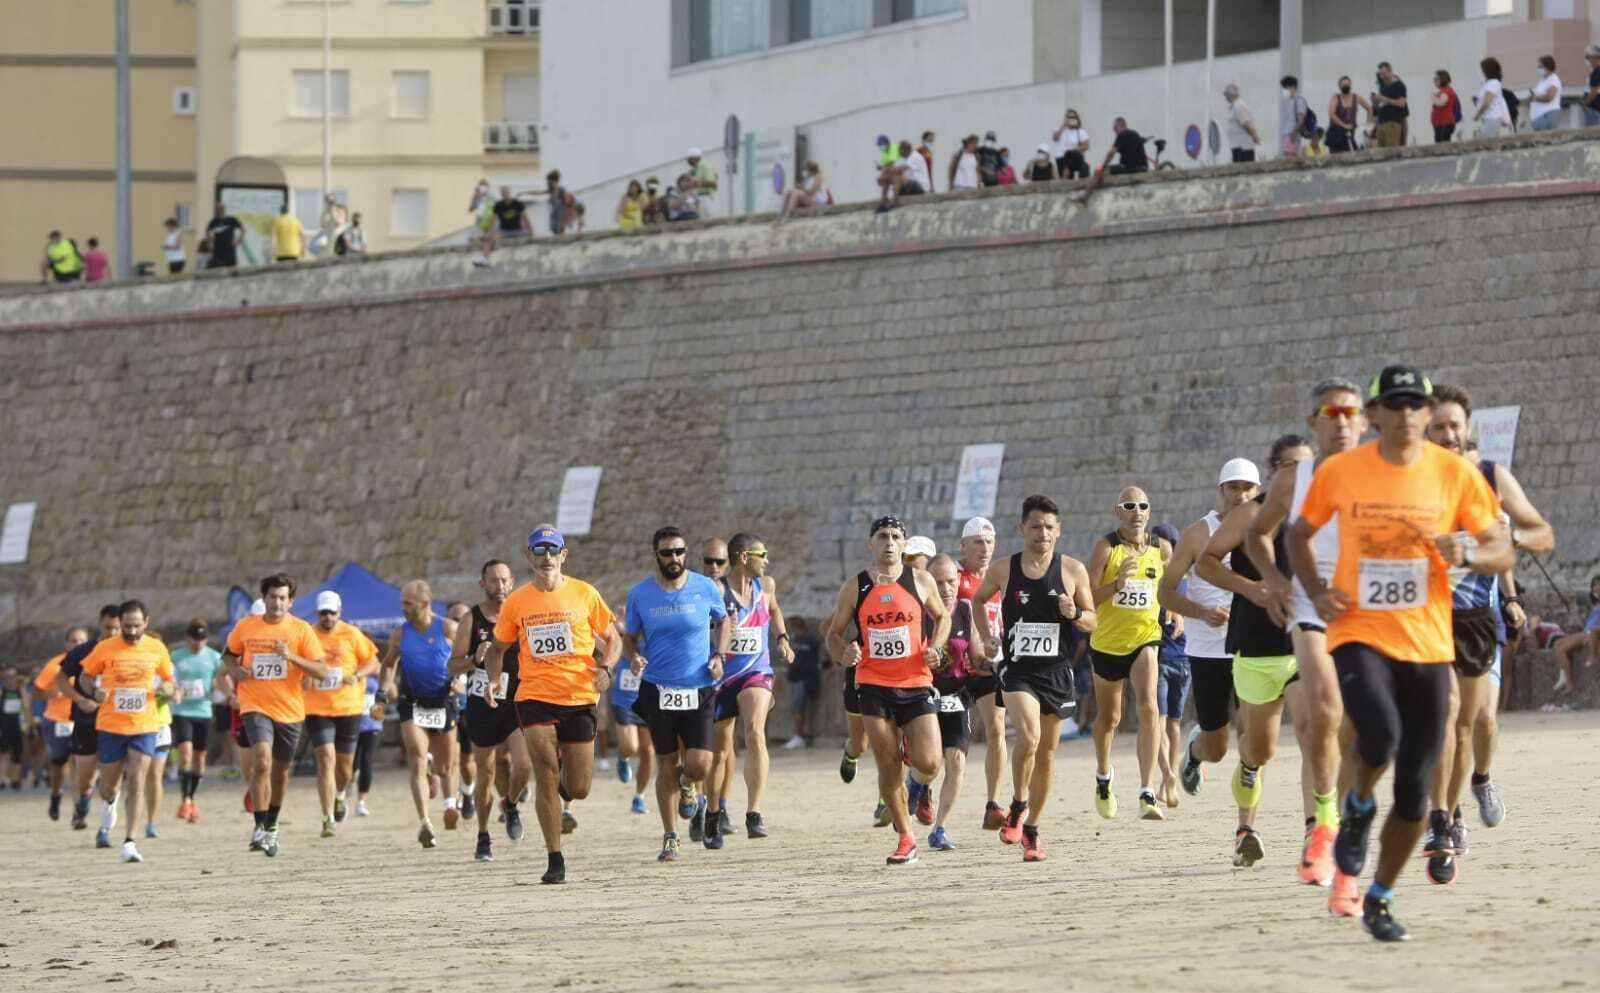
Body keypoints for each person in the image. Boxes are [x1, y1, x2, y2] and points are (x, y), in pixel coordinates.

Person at [1287, 364, 1511, 942]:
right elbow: (1296, 534)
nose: (1410, 414)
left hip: (1428, 642)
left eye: (1419, 404)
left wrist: (1470, 553)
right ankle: (1357, 808)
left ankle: (1380, 897)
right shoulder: (1342, 471)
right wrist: (1314, 590)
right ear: (1377, 414)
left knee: (1414, 793)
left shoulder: (1453, 474)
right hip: (1360, 631)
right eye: (1399, 403)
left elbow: (1501, 547)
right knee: (1379, 737)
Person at [1421, 384, 1553, 882]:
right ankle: (1441, 821)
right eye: (1439, 427)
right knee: (1445, 717)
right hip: (1425, 618)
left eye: (1455, 425)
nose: (1449, 434)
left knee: (1474, 724)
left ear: (1467, 427)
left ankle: (1467, 795)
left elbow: (1543, 533)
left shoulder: (1490, 476)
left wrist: (1506, 535)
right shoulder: (1411, 481)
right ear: (1426, 433)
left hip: (1477, 619)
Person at [1245, 378, 1368, 902]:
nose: (1340, 421)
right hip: (1310, 607)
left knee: (1360, 734)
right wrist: (1273, 580)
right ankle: (1322, 820)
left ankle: (1344, 831)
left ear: (1364, 420)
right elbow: (1256, 534)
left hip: (1370, 611)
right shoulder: (1294, 480)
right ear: (1314, 422)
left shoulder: (1386, 474)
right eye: (1329, 412)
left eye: (1349, 412)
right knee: (1321, 709)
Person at [1197, 436, 1315, 869]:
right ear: (1275, 471)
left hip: (1308, 642)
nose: (1301, 475)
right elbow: (1206, 562)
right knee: (1261, 749)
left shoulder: (1329, 511)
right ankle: (1246, 813)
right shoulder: (1249, 513)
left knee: (1313, 734)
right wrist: (1251, 588)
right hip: (1257, 644)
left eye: (1308, 465)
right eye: (1291, 466)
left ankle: (1314, 831)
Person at [486, 526, 621, 884]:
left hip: (578, 696)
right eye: (538, 551)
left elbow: (613, 637)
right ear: (528, 556)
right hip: (534, 696)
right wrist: (495, 679)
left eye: (553, 550)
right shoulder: (516, 601)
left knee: (578, 787)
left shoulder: (584, 593)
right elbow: (497, 649)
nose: (546, 557)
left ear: (564, 555)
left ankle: (563, 795)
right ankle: (555, 859)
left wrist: (606, 667)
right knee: (544, 770)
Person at [969, 495, 1097, 861]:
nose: (1042, 533)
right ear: (1022, 529)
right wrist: (987, 635)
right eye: (1036, 526)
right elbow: (979, 601)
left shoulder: (1072, 570)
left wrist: (1075, 614)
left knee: (1047, 755)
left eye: (1049, 527)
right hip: (1018, 669)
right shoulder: (1004, 569)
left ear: (1059, 531)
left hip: (1056, 671)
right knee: (1029, 734)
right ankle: (1019, 802)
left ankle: (1032, 829)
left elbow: (1093, 621)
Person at [823, 516, 951, 866]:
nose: (889, 542)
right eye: (882, 536)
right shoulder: (855, 587)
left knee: (929, 762)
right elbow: (833, 633)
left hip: (916, 681)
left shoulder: (921, 580)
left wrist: (937, 648)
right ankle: (905, 837)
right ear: (871, 543)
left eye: (896, 536)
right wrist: (843, 653)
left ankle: (918, 783)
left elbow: (943, 618)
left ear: (904, 543)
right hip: (873, 683)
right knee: (886, 760)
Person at [622, 527, 729, 858]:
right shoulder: (640, 595)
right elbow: (629, 636)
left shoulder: (704, 586)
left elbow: (724, 621)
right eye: (667, 553)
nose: (675, 559)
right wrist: (634, 656)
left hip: (698, 686)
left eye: (680, 552)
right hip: (658, 687)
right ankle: (670, 836)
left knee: (699, 764)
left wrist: (720, 656)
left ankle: (688, 786)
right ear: (656, 555)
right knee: (666, 763)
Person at [1160, 458, 1260, 804]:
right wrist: (1201, 612)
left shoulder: (1267, 531)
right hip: (1207, 651)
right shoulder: (1198, 533)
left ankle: (1249, 779)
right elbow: (1165, 592)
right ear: (1222, 491)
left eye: (1248, 488)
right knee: (1217, 748)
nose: (1241, 495)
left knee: (1254, 732)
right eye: (1234, 488)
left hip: (1251, 646)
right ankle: (1196, 751)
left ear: (1258, 491)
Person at [224, 574, 331, 857]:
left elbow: (321, 671)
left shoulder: (301, 630)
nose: (277, 602)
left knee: (281, 773)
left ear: (290, 601)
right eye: (272, 596)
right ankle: (259, 827)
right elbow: (228, 654)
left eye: (283, 597)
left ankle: (272, 825)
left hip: (290, 709)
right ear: (264, 598)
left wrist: (292, 657)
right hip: (254, 704)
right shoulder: (246, 627)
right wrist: (235, 671)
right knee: (262, 760)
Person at [1087, 487, 1172, 819]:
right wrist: (1117, 585)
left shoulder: (1160, 549)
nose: (1137, 511)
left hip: (1145, 637)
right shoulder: (1105, 549)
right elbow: (1088, 598)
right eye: (1129, 506)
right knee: (1110, 719)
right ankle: (1104, 775)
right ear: (1117, 511)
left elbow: (1166, 585)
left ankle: (1147, 790)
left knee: (1150, 705)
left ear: (1149, 512)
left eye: (1143, 506)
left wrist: (1174, 611)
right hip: (1107, 643)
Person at [76, 600, 175, 863]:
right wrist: (94, 691)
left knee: (138, 779)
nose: (131, 631)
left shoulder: (157, 648)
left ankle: (130, 841)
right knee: (110, 786)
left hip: (144, 725)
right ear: (120, 623)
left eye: (136, 626)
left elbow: (170, 681)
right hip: (110, 726)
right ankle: (108, 798)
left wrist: (169, 689)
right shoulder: (105, 648)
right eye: (126, 626)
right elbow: (85, 677)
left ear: (147, 623)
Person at [709, 533, 792, 843]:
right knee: (720, 752)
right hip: (722, 677)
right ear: (744, 557)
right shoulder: (716, 591)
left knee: (755, 730)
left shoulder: (765, 585)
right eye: (763, 554)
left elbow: (774, 609)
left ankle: (754, 812)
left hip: (757, 671)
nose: (767, 560)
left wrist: (782, 638)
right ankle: (714, 812)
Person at [450, 560, 532, 861]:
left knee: (523, 765)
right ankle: (483, 836)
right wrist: (474, 659)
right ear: (483, 584)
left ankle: (510, 804)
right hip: (482, 704)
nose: (500, 586)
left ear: (512, 582)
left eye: (505, 580)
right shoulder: (472, 619)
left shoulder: (522, 613)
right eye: (494, 581)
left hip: (515, 700)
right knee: (485, 772)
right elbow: (452, 665)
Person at [379, 580, 460, 848]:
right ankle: (425, 821)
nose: (402, 608)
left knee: (445, 766)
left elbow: (469, 659)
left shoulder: (448, 628)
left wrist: (463, 680)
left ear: (425, 604)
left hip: (443, 701)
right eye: (402, 602)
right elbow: (388, 664)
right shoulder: (400, 634)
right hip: (411, 701)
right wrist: (384, 687)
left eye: (407, 604)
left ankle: (447, 797)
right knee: (416, 756)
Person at [305, 592, 380, 837]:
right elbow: (298, 665)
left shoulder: (352, 634)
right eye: (323, 613)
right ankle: (327, 817)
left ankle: (339, 795)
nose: (327, 617)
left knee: (345, 768)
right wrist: (304, 678)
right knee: (326, 759)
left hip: (349, 707)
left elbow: (373, 663)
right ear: (317, 613)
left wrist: (357, 676)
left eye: (332, 613)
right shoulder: (308, 635)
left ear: (339, 612)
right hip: (317, 708)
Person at [955, 515, 1009, 832]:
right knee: (947, 742)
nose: (984, 549)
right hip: (955, 665)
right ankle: (919, 783)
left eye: (989, 542)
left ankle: (993, 803)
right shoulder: (953, 576)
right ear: (963, 545)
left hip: (989, 665)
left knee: (996, 729)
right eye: (977, 542)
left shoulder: (999, 579)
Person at [925, 554, 981, 851]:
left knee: (956, 761)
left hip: (957, 695)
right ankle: (918, 784)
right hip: (923, 696)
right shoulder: (917, 612)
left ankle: (940, 828)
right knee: (929, 764)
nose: (946, 588)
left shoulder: (965, 609)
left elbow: (976, 649)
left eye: (951, 581)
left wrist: (989, 654)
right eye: (938, 582)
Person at [56, 605, 122, 832]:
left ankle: (106, 823)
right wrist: (80, 700)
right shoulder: (84, 650)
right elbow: (61, 679)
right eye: (107, 628)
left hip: (117, 724)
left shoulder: (127, 651)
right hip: (86, 721)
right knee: (86, 778)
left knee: (111, 777)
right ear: (99, 624)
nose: (112, 633)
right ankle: (82, 804)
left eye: (116, 628)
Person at [1149, 522, 1188, 809]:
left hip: (1184, 658)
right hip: (1158, 657)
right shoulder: (1149, 577)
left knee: (1173, 724)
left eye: (1163, 542)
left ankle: (1167, 779)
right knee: (1160, 722)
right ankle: (1168, 774)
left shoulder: (1187, 578)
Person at [33, 627, 90, 820]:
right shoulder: (56, 664)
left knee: (78, 762)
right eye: (74, 641)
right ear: (67, 644)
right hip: (58, 720)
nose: (78, 644)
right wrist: (53, 693)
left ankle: (78, 810)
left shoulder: (94, 662)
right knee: (60, 763)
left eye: (82, 640)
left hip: (83, 720)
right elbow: (37, 691)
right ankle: (56, 794)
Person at [169, 620, 222, 824]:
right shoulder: (176, 657)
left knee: (200, 759)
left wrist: (223, 690)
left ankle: (193, 797)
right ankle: (185, 799)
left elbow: (221, 678)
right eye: (194, 639)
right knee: (185, 754)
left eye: (202, 640)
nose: (198, 644)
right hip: (182, 711)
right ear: (187, 637)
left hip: (204, 711)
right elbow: (168, 679)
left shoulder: (214, 657)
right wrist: (174, 690)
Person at [782, 617, 822, 749]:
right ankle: (799, 735)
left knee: (798, 708)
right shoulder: (793, 640)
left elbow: (819, 656)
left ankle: (799, 736)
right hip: (795, 677)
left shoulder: (811, 640)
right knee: (796, 708)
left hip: (805, 678)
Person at [352, 672, 382, 817]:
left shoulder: (377, 672)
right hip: (352, 721)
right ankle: (349, 781)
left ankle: (361, 802)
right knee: (351, 763)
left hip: (373, 723)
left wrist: (384, 690)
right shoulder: (352, 668)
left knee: (367, 761)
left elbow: (391, 692)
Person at [877, 139, 928, 213]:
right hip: (907, 186)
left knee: (897, 177)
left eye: (900, 151)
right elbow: (894, 171)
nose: (899, 153)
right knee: (889, 177)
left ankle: (894, 202)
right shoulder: (905, 159)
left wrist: (885, 171)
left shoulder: (915, 157)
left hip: (919, 186)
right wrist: (884, 177)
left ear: (905, 149)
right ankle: (883, 201)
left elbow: (900, 169)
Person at [1327, 76, 1371, 153]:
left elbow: (1369, 109)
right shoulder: (1336, 98)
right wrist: (1343, 125)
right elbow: (1331, 114)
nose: (1346, 87)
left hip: (1352, 132)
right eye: (1343, 85)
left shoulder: (1356, 97)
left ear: (1350, 85)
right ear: (1340, 86)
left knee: (1355, 152)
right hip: (1337, 133)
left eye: (1347, 84)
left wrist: (1367, 127)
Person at [1473, 57, 1513, 138]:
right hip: (1488, 118)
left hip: (1492, 118)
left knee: (1485, 142)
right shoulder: (1487, 84)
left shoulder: (1493, 83)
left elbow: (1487, 103)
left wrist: (1477, 115)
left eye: (1482, 69)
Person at [1373, 62, 1409, 147]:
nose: (1382, 77)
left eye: (1384, 73)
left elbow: (1401, 104)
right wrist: (1375, 101)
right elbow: (1379, 105)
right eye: (1380, 74)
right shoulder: (1383, 85)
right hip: (1381, 122)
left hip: (1393, 122)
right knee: (1381, 152)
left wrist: (1384, 99)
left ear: (1390, 72)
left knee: (1391, 150)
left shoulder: (1399, 85)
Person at [1224, 84, 1263, 162]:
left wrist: (1255, 137)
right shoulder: (1234, 106)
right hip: (1237, 145)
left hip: (1243, 146)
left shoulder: (1239, 105)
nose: (1226, 97)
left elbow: (1246, 124)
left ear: (1232, 94)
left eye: (1227, 94)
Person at [1052, 109, 1091, 178]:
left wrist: (1076, 149)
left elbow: (1086, 146)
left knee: (1071, 155)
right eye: (1069, 117)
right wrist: (1063, 126)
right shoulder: (1060, 129)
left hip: (1074, 157)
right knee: (1067, 177)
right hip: (1061, 157)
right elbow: (1055, 138)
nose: (1071, 119)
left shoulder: (1080, 131)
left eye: (1073, 117)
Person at [203, 203, 244, 269]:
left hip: (229, 250)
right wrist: (210, 242)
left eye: (221, 208)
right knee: (217, 269)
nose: (219, 210)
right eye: (217, 209)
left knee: (231, 269)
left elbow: (242, 229)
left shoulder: (231, 220)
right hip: (218, 250)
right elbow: (207, 231)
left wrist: (239, 240)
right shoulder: (214, 221)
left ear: (224, 209)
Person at [1529, 55, 1563, 132]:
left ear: (1547, 67)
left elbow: (1549, 97)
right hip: (1539, 117)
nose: (1538, 69)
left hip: (1547, 115)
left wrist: (1535, 98)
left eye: (1540, 67)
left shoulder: (1553, 80)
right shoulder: (1543, 80)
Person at [1280, 76, 1309, 157]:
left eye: (1285, 87)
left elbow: (1301, 120)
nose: (1284, 90)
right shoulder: (1288, 101)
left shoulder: (1299, 100)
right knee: (1288, 156)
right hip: (1286, 134)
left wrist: (1293, 134)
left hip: (1292, 134)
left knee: (1292, 157)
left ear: (1292, 87)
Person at [1432, 70, 1462, 144]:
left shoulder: (1446, 91)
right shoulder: (1441, 91)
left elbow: (1441, 103)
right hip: (1440, 123)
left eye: (1436, 79)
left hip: (1445, 123)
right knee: (1439, 142)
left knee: (1442, 144)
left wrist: (1433, 97)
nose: (1434, 81)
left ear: (1442, 79)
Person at [1583, 44, 1600, 128]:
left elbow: (1594, 91)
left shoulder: (1597, 72)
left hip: (1594, 108)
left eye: (1588, 57)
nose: (1587, 60)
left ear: (1596, 57)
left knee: (1591, 133)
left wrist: (1586, 103)